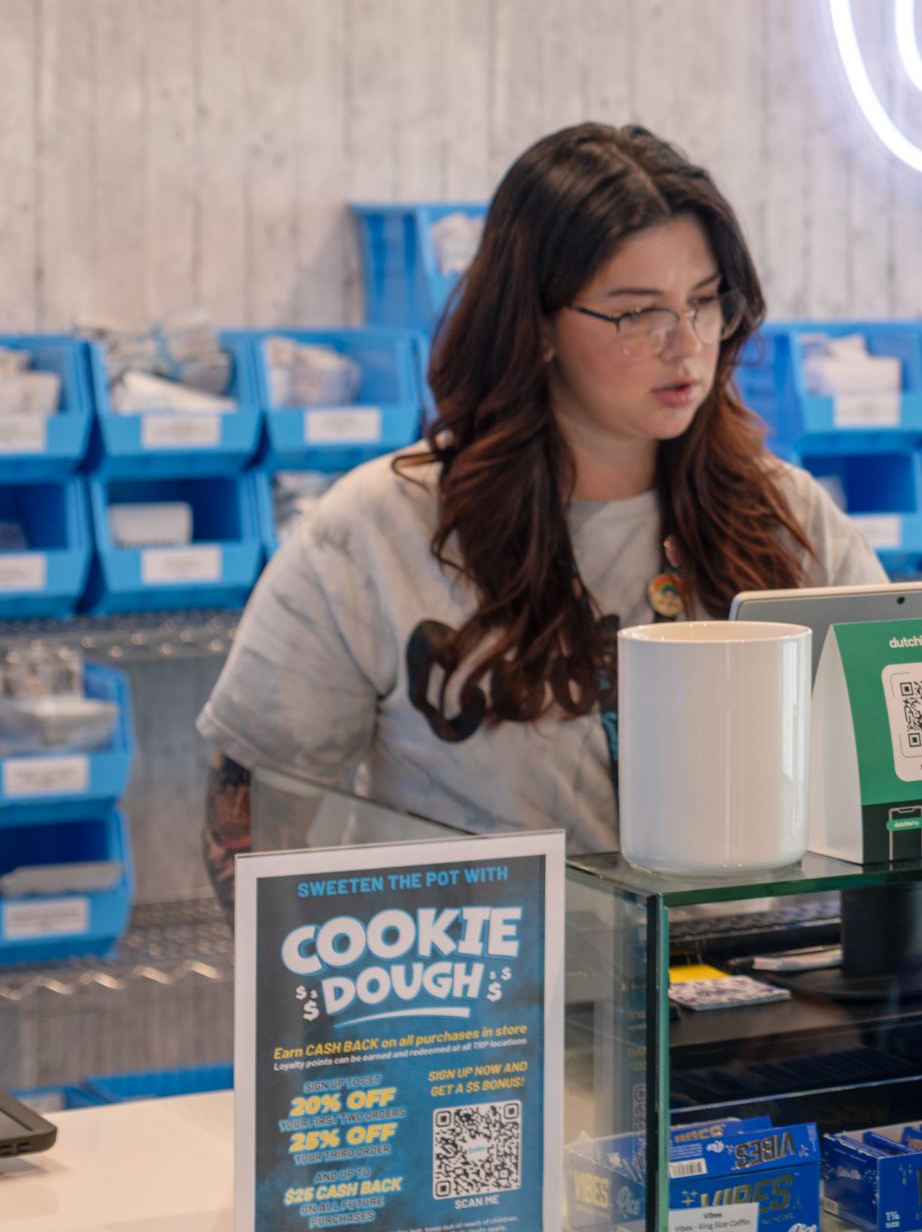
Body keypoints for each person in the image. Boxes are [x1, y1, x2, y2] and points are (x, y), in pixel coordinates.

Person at [198, 124, 883, 885]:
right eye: (636, 312)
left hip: (756, 990)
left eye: (703, 301)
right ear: (539, 323)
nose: (686, 343)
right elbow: (252, 820)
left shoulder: (784, 514)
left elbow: (892, 756)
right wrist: (339, 994)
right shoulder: (375, 529)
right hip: (480, 1000)